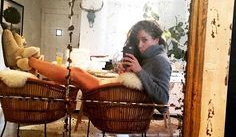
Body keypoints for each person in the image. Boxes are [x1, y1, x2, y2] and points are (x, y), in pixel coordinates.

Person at [28, 20, 171, 107]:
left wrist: (139, 71)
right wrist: (126, 71)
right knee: (76, 72)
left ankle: (28, 60)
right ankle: (30, 63)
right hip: (120, 95)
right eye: (138, 40)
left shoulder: (161, 61)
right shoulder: (147, 56)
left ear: (156, 40)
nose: (139, 45)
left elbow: (163, 100)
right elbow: (138, 82)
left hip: (122, 100)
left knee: (76, 74)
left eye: (144, 40)